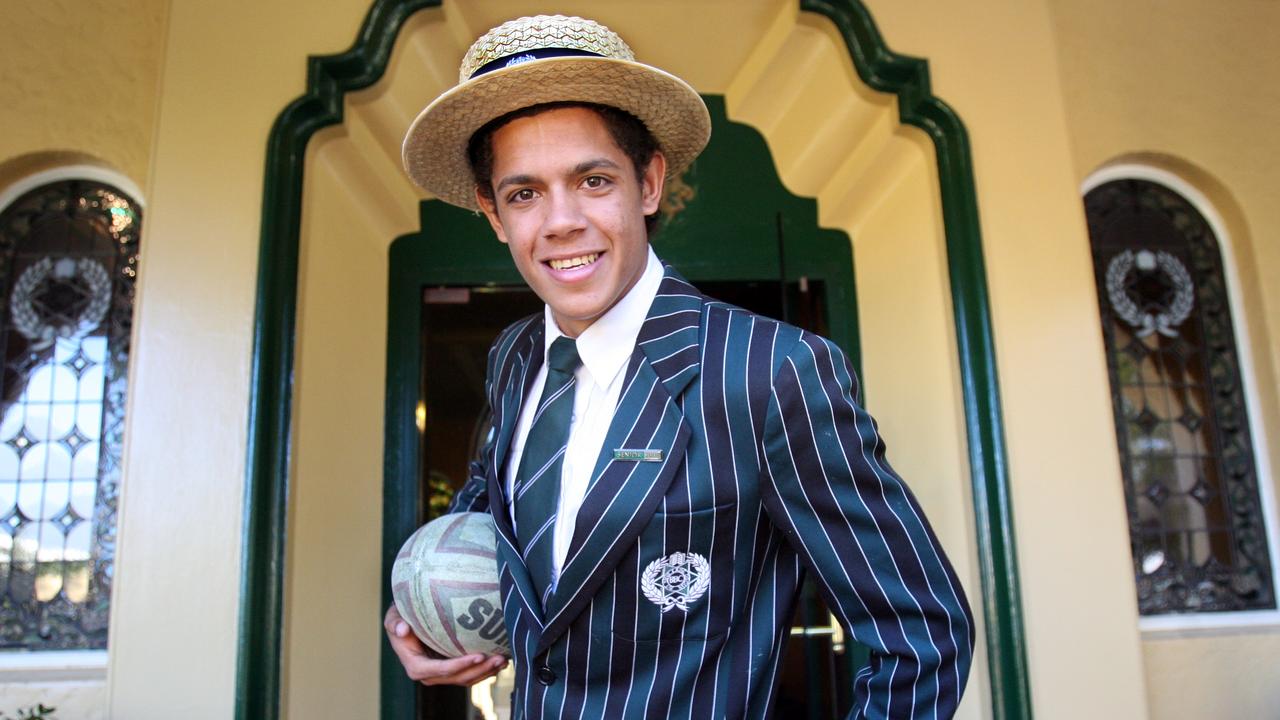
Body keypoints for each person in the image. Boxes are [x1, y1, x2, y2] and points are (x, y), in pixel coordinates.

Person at [386, 14, 974, 719]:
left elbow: (925, 638)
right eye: (524, 193)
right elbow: (492, 502)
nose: (561, 221)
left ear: (650, 182)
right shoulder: (514, 357)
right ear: (492, 213)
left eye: (593, 180)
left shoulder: (768, 372)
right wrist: (433, 600)